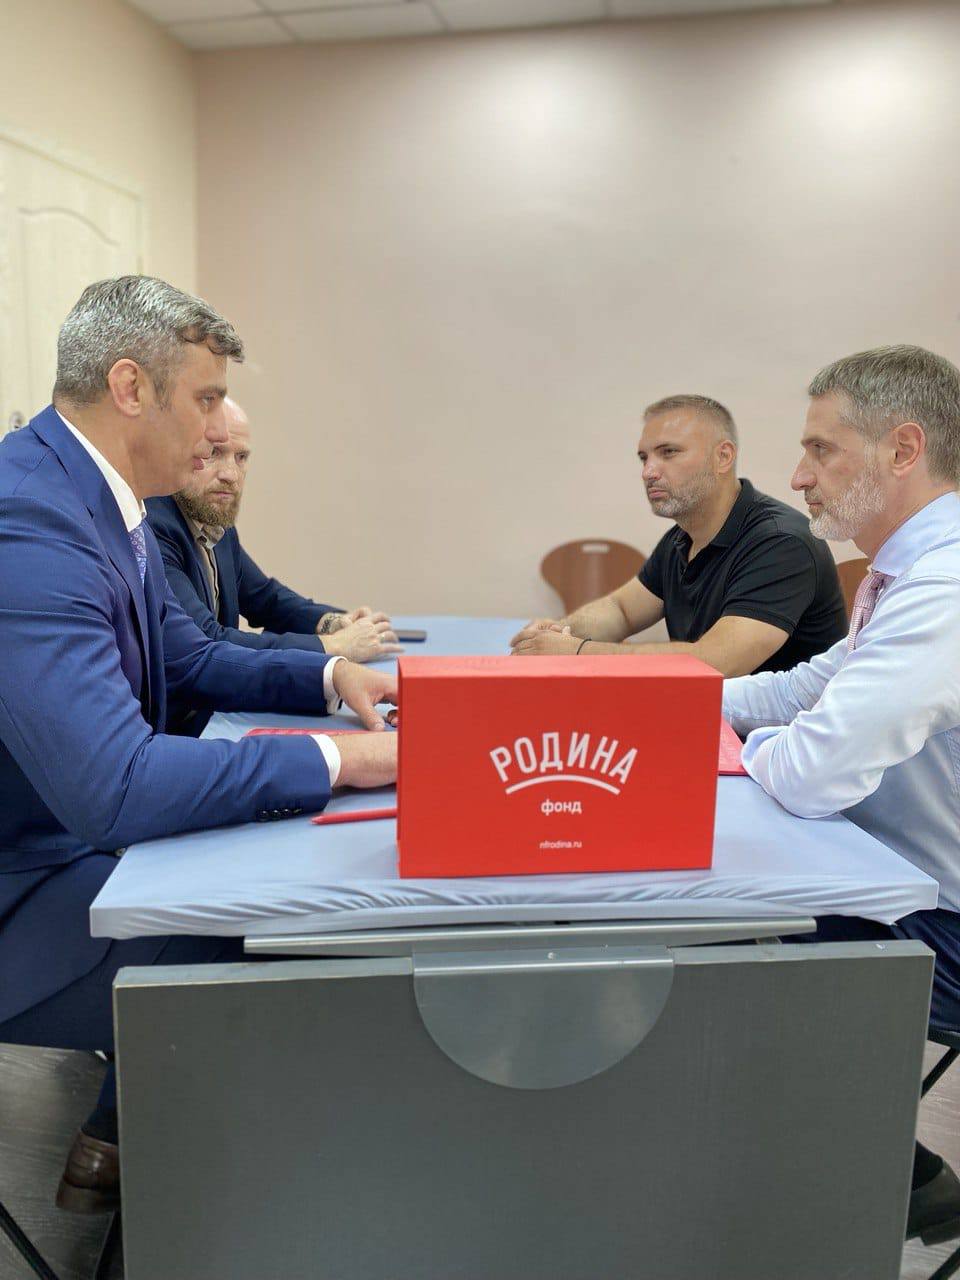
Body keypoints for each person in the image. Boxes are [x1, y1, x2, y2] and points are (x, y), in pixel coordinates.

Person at [0, 276, 397, 1214]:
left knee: (287, 893)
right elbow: (117, 788)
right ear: (131, 388)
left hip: (63, 852)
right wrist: (341, 761)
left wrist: (331, 678)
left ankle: (176, 1189)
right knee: (283, 945)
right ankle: (221, 1226)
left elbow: (185, 651)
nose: (218, 428)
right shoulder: (32, 523)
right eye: (207, 398)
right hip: (22, 896)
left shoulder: (102, 497)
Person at [722, 345, 960, 1244]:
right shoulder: (905, 571)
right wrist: (661, 710)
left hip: (949, 924)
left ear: (903, 450)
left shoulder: (945, 586)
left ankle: (882, 1180)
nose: (797, 476)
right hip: (913, 883)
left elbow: (814, 770)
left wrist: (741, 749)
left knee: (721, 934)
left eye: (821, 449)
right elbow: (800, 690)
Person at [510, 395, 846, 676]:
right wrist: (560, 631)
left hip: (774, 733)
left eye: (668, 452)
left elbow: (716, 662)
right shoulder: (681, 538)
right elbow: (621, 610)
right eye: (644, 457)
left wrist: (577, 652)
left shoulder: (781, 541)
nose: (648, 471)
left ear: (723, 457)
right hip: (710, 717)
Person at [146, 396, 400, 732]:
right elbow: (207, 639)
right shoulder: (155, 525)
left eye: (241, 457)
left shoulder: (213, 519)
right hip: (176, 730)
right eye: (214, 453)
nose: (230, 474)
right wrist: (334, 648)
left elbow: (264, 597)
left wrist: (333, 622)